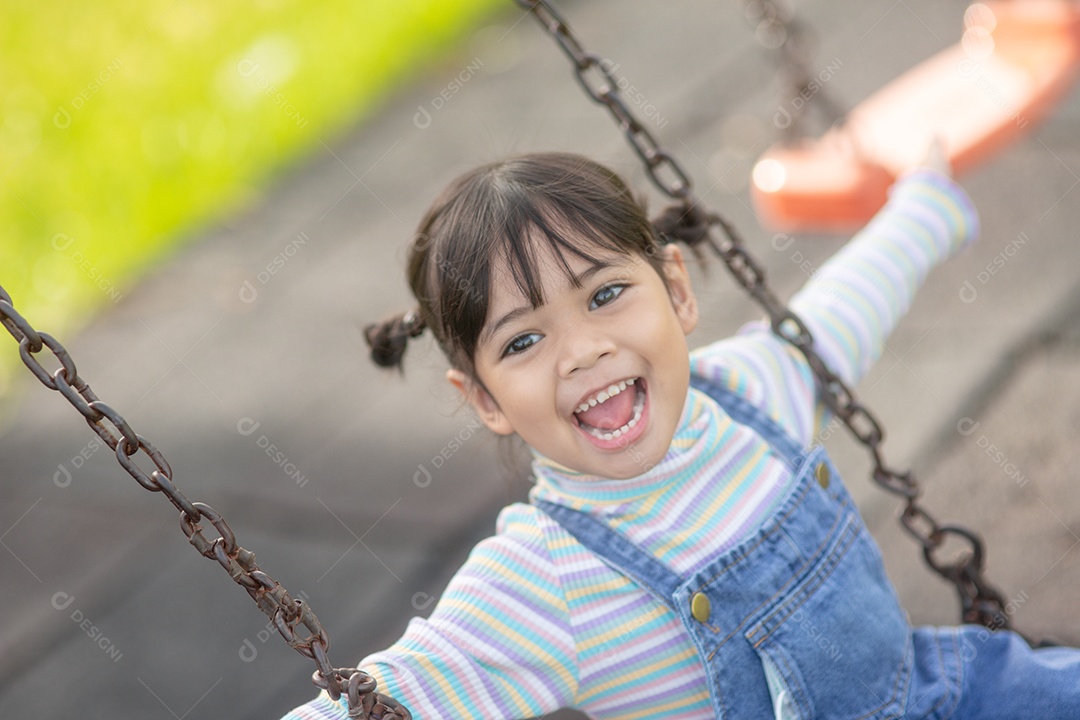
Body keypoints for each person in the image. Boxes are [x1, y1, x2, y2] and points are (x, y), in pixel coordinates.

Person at [283, 152, 1080, 719]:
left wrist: (924, 209)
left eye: (606, 295)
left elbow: (847, 305)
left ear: (677, 290)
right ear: (484, 399)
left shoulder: (752, 389)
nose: (583, 349)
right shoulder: (539, 580)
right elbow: (407, 686)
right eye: (523, 342)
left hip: (946, 696)